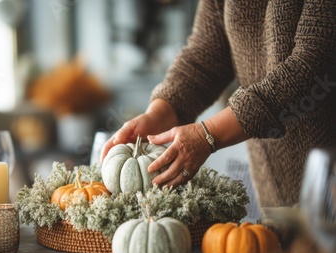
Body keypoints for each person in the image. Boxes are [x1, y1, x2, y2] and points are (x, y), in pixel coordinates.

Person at [101, 0, 336, 208]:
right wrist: (159, 113)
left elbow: (313, 64)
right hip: (277, 184)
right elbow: (206, 57)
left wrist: (208, 135)